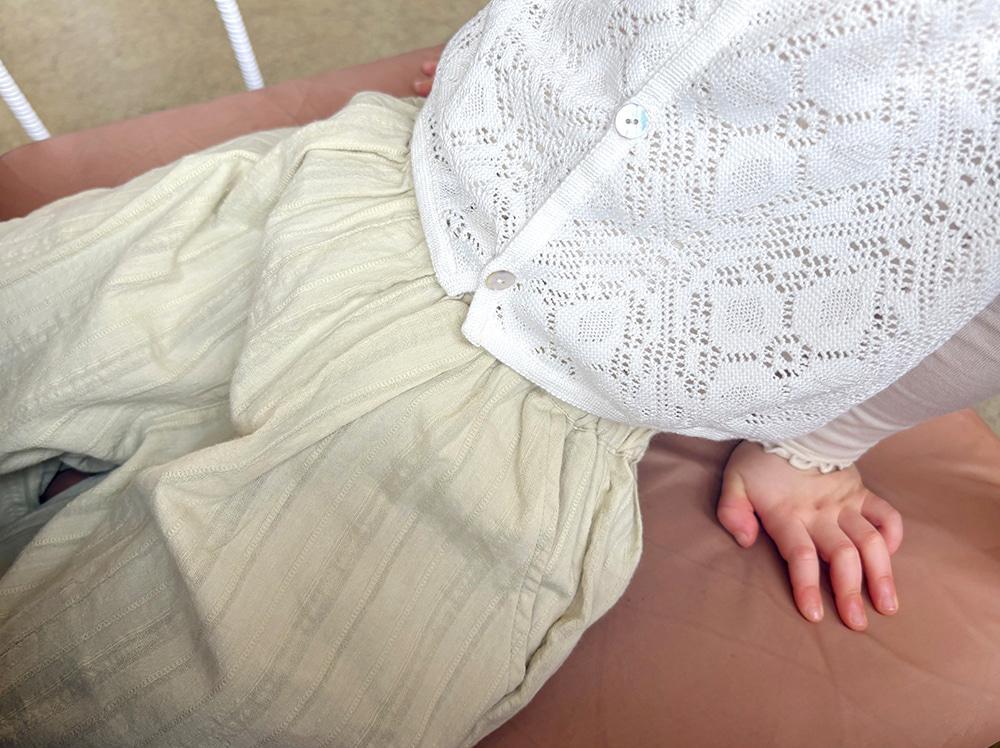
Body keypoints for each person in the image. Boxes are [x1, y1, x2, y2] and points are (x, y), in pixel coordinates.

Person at [1, 1, 997, 745]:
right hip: (374, 177)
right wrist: (524, 54)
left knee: (183, 692)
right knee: (33, 321)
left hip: (545, 401)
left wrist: (813, 442)